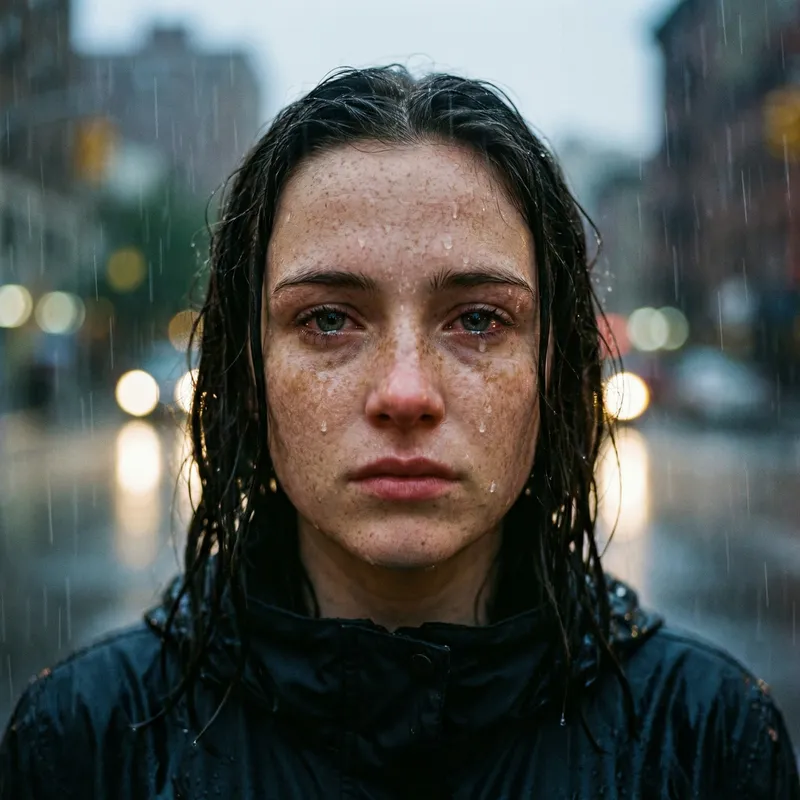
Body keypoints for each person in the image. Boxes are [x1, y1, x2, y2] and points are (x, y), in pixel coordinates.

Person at [1, 66, 798, 799]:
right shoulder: (88, 742)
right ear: (249, 371)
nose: (406, 393)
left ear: (552, 369)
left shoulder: (703, 740)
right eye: (328, 319)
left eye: (480, 319)